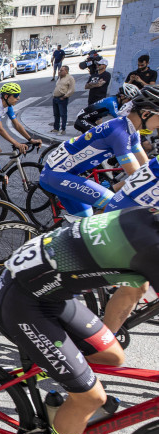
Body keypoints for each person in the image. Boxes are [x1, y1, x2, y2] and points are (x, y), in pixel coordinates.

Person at [0, 206, 159, 434]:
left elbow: (134, 289)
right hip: (21, 301)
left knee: (112, 356)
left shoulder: (148, 215)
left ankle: (61, 387)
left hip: (49, 293)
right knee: (92, 398)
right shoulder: (152, 247)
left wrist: (97, 342)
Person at [98, 87, 159, 336]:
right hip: (123, 224)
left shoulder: (137, 131)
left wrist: (116, 191)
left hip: (130, 218)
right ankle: (101, 345)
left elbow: (138, 176)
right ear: (145, 113)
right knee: (136, 287)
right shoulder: (122, 129)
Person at [38, 90, 154, 218]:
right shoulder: (119, 133)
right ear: (146, 114)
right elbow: (138, 177)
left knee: (86, 220)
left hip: (65, 174)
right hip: (56, 175)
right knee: (114, 204)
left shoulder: (131, 130)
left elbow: (146, 167)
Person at [0, 83, 42, 160]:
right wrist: (16, 144)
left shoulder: (8, 107)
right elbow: (0, 129)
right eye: (15, 95)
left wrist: (30, 139)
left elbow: (17, 125)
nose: (18, 98)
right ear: (6, 96)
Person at [73, 83, 140, 133]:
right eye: (129, 99)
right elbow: (119, 118)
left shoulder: (116, 101)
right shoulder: (111, 103)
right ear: (122, 96)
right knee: (101, 134)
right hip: (82, 120)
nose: (129, 102)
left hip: (89, 120)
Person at [52, 65, 76, 136]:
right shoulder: (59, 78)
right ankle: (56, 128)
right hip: (55, 98)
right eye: (59, 70)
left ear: (66, 71)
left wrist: (65, 96)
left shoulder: (70, 78)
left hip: (62, 98)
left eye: (61, 70)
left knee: (63, 114)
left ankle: (63, 129)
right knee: (56, 114)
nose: (59, 72)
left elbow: (72, 89)